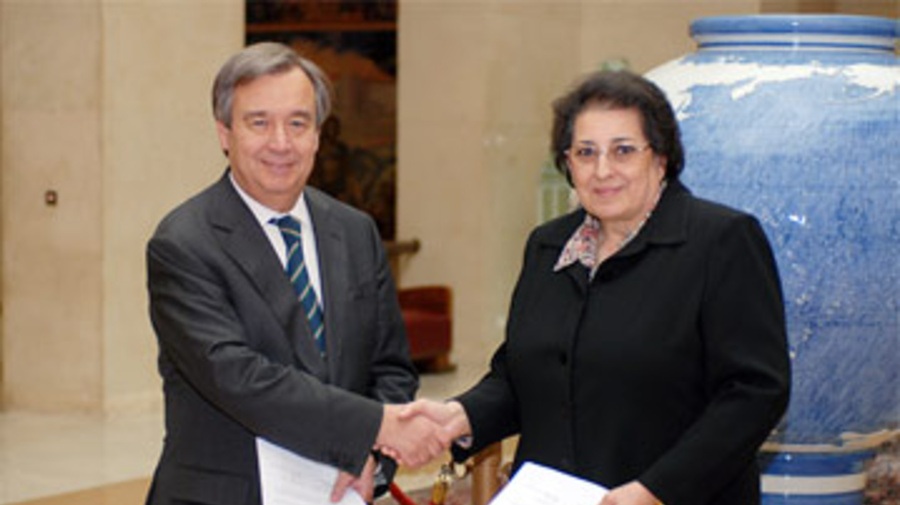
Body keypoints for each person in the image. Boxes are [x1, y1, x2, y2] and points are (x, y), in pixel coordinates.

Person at [399, 70, 791, 505]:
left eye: (623, 150)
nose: (603, 170)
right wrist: (458, 416)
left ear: (661, 157)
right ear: (568, 163)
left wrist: (654, 491)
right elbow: (522, 372)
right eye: (586, 153)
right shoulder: (548, 246)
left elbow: (753, 394)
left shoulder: (720, 241)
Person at [144, 42, 445, 505]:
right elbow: (238, 377)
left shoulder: (355, 231)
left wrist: (370, 456)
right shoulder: (184, 243)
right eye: (259, 122)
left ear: (318, 135)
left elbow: (391, 367)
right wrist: (372, 427)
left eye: (298, 123)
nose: (281, 143)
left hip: (341, 491)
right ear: (224, 133)